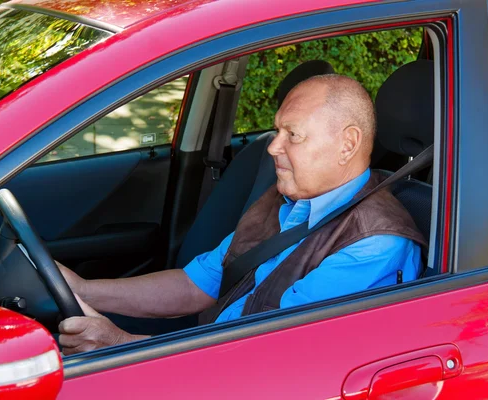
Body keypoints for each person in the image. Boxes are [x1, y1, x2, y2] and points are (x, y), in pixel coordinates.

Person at [57, 74, 427, 355]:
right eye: (277, 130)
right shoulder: (285, 200)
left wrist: (120, 346)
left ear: (347, 144)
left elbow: (264, 356)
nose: (274, 147)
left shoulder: (373, 244)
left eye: (292, 135)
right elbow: (194, 286)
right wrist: (84, 290)